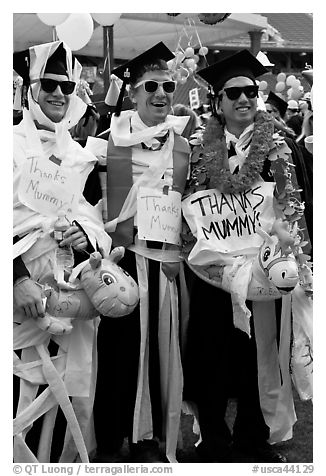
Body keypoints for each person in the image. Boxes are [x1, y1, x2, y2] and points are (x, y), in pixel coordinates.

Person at [182, 49, 312, 463]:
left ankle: (254, 440)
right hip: (213, 272)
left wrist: (299, 257)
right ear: (217, 102)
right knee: (211, 356)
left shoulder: (281, 147)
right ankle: (215, 442)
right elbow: (186, 205)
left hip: (263, 273)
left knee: (259, 355)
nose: (244, 99)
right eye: (233, 92)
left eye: (250, 92)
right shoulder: (198, 150)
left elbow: (297, 205)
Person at [91, 42, 191, 463]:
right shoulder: (105, 144)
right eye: (151, 85)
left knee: (161, 353)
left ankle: (148, 438)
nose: (161, 93)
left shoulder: (185, 146)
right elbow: (84, 205)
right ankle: (112, 436)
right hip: (122, 262)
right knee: (118, 354)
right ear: (132, 93)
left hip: (166, 265)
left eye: (168, 85)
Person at [13, 41, 111, 463]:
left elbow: (93, 221)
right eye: (48, 84)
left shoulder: (79, 155)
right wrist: (16, 278)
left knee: (68, 390)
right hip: (20, 298)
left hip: (70, 297)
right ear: (31, 89)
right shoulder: (8, 144)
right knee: (19, 390)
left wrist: (82, 237)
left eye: (66, 86)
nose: (58, 93)